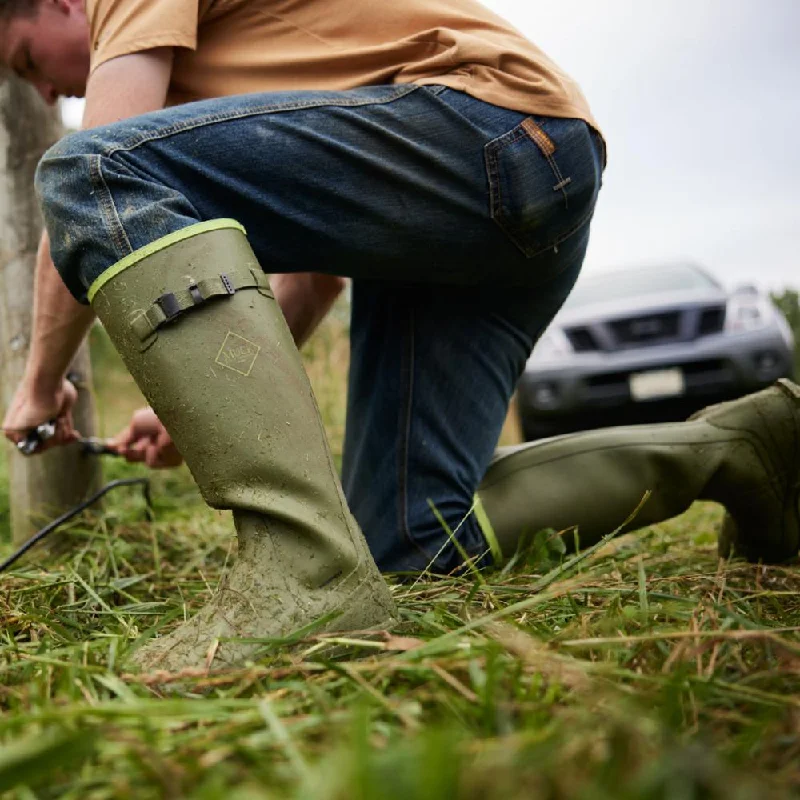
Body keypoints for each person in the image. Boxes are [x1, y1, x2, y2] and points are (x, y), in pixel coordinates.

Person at [1, 0, 798, 673]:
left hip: (482, 129)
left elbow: (93, 169)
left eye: (31, 59)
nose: (46, 87)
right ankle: (742, 449)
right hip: (501, 188)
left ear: (68, 4)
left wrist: (42, 383)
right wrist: (192, 406)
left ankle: (303, 574)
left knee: (86, 170)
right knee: (415, 542)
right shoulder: (249, 83)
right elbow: (316, 277)